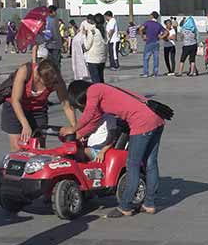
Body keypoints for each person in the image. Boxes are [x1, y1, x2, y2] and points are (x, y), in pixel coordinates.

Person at [64, 81, 165, 218]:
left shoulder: (94, 89)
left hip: (141, 122)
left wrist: (73, 128)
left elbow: (88, 114)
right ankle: (150, 204)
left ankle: (125, 206)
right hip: (155, 117)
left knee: (132, 164)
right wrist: (76, 135)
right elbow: (93, 123)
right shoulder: (102, 93)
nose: (82, 107)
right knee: (150, 162)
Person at [1, 59, 78, 151]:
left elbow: (66, 105)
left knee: (39, 146)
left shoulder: (57, 81)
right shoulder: (25, 71)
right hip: (15, 108)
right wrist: (25, 125)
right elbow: (15, 100)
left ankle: (37, 164)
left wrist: (75, 127)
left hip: (38, 109)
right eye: (47, 83)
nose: (49, 85)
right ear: (38, 75)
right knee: (18, 146)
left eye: (51, 83)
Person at [81, 15, 107, 84]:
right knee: (101, 79)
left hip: (93, 59)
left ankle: (98, 93)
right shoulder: (104, 31)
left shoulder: (93, 31)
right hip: (102, 58)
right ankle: (103, 93)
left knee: (95, 80)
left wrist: (84, 36)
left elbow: (87, 46)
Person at [139, 11, 165, 77]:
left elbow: (140, 29)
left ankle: (146, 73)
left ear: (152, 16)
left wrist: (143, 36)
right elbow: (166, 32)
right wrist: (161, 37)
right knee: (156, 58)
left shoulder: (148, 23)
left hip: (149, 42)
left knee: (146, 58)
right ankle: (155, 73)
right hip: (156, 42)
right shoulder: (158, 24)